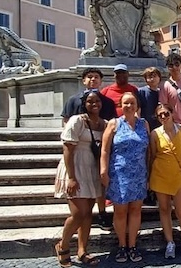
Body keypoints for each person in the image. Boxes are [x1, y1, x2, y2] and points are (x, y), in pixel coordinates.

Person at [53, 90, 106, 267]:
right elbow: (67, 149)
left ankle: (82, 250)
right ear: (85, 104)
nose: (94, 104)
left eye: (97, 101)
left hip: (91, 169)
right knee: (78, 213)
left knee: (88, 214)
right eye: (90, 101)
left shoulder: (103, 123)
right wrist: (72, 177)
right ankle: (63, 245)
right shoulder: (77, 121)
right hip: (75, 167)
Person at [59, 67, 116, 231]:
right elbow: (66, 122)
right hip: (79, 153)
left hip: (97, 153)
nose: (93, 80)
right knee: (81, 209)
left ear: (101, 80)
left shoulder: (107, 101)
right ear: (83, 80)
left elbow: (110, 124)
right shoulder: (73, 101)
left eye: (96, 77)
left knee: (98, 186)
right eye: (89, 77)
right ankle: (65, 246)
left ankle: (102, 212)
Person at [100, 92, 150, 263]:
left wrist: (148, 173)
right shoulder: (114, 124)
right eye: (125, 103)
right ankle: (122, 245)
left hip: (139, 174)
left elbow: (148, 151)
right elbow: (105, 150)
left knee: (136, 210)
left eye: (132, 103)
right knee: (120, 211)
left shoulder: (144, 124)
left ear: (137, 106)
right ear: (120, 105)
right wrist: (103, 171)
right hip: (119, 174)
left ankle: (132, 245)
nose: (129, 106)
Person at [149, 104, 181, 259]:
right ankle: (170, 243)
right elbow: (153, 155)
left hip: (178, 174)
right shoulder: (155, 134)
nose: (163, 117)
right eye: (160, 115)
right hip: (160, 174)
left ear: (172, 113)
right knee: (164, 209)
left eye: (166, 113)